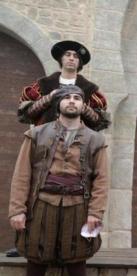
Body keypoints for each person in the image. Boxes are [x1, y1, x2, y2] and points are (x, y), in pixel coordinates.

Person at [4, 86, 109, 276]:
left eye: (77, 98)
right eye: (67, 98)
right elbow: (22, 173)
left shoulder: (96, 139)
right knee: (35, 266)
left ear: (83, 106)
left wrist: (96, 213)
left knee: (78, 266)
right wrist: (17, 209)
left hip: (78, 208)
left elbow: (102, 181)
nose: (72, 101)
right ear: (58, 104)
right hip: (41, 206)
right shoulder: (36, 133)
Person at [6, 40, 109, 259]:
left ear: (79, 63)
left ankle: (74, 247)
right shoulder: (43, 84)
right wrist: (50, 98)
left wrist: (79, 106)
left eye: (76, 56)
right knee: (33, 189)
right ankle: (28, 240)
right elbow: (24, 114)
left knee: (76, 195)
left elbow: (101, 121)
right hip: (42, 145)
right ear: (61, 59)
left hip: (77, 150)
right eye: (68, 55)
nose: (71, 58)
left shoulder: (90, 89)